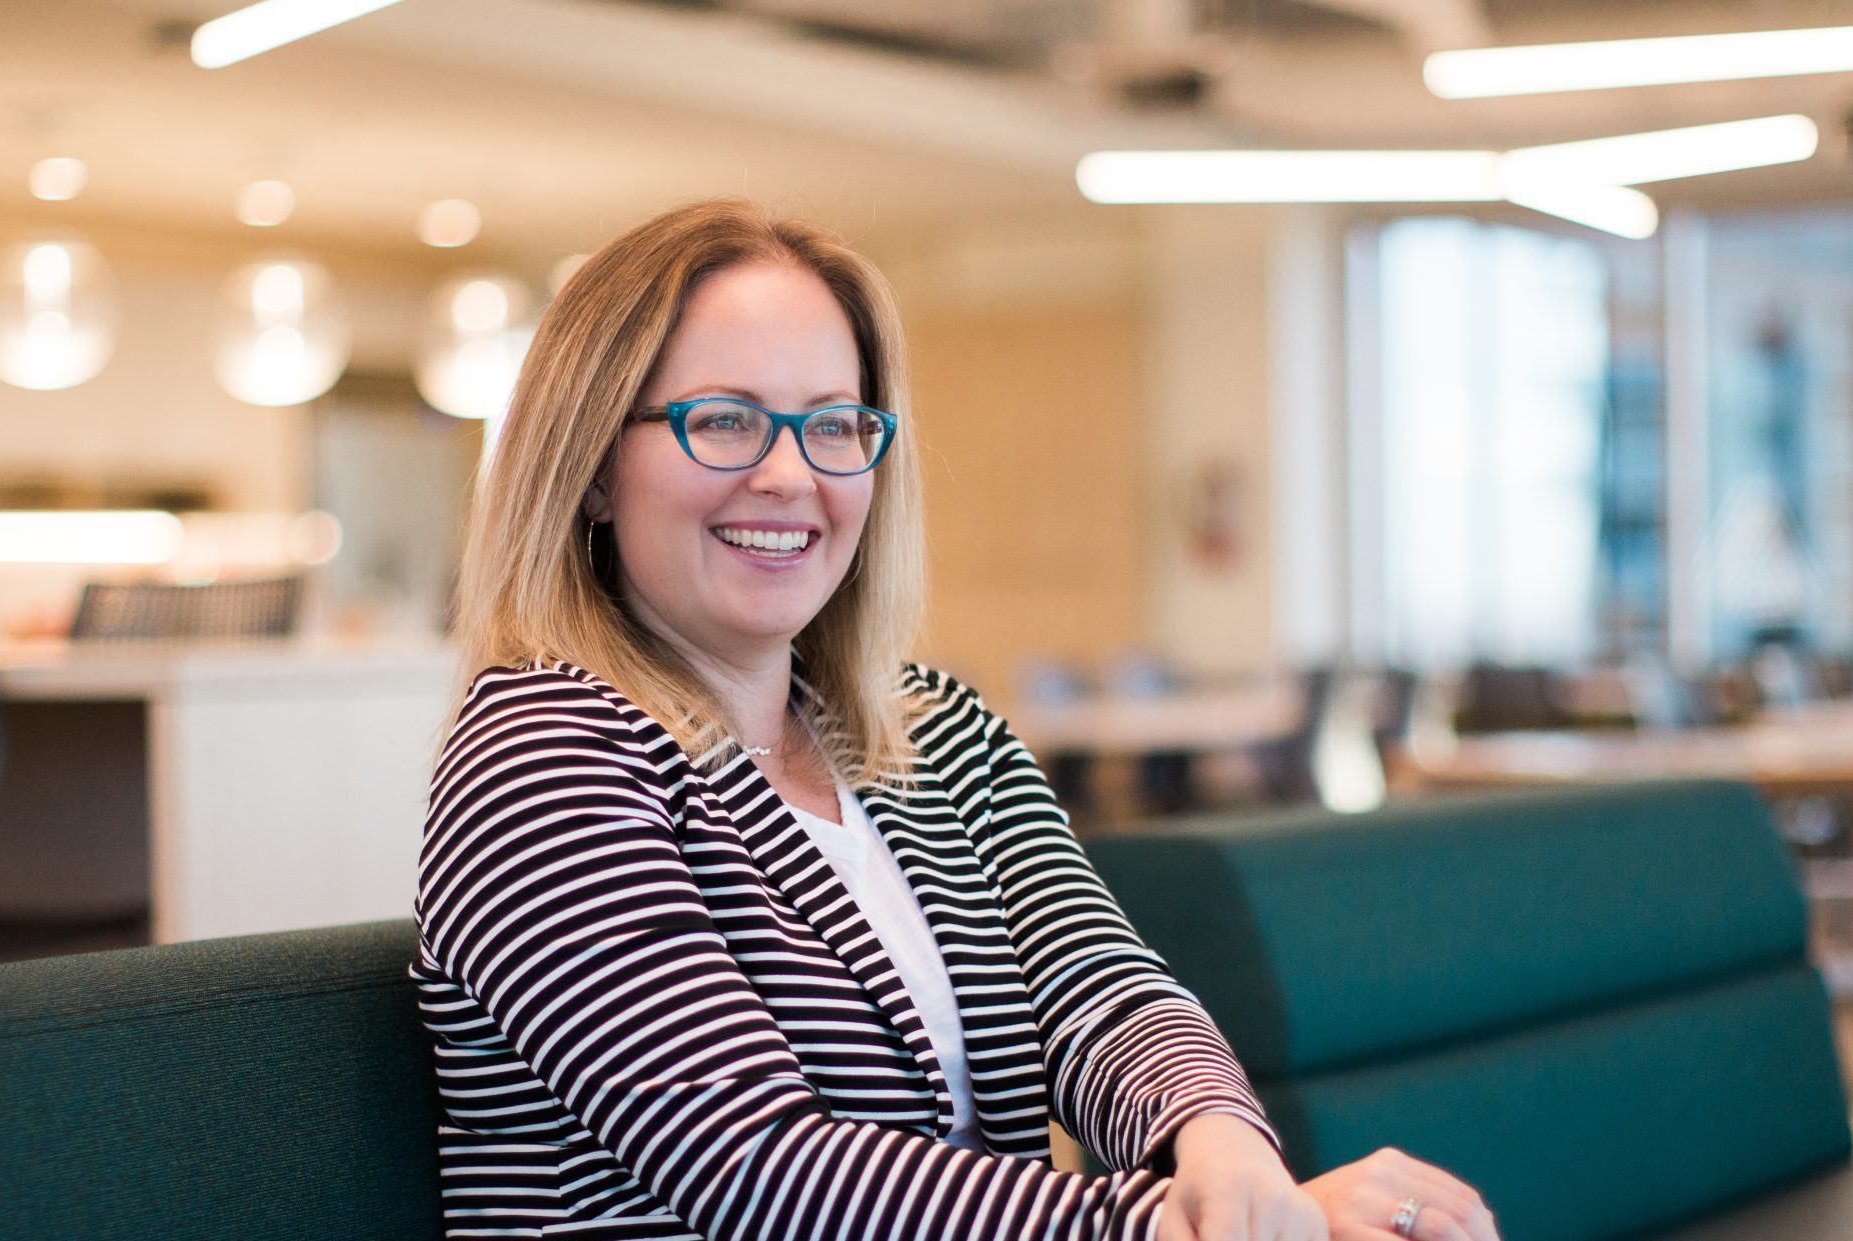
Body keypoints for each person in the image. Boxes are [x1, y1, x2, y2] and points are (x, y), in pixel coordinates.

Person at [413, 199, 1496, 1241]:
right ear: (594, 465)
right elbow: (752, 1164)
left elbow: (1098, 988)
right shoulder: (542, 753)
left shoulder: (939, 731)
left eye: (835, 423)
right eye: (726, 419)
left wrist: (1223, 1149)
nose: (791, 474)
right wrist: (1188, 1225)